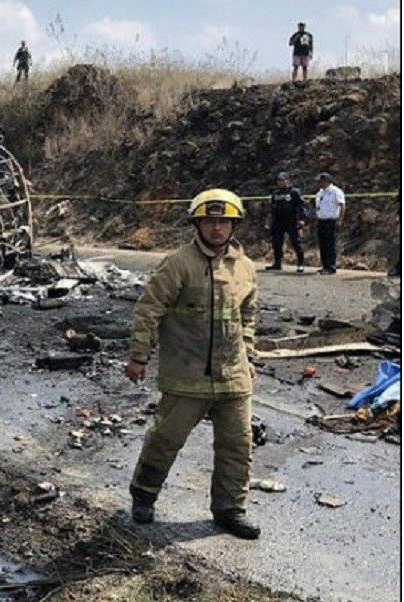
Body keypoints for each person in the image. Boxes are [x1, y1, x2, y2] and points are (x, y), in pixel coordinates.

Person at [126, 189, 262, 540]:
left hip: (233, 375)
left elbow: (248, 315)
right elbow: (149, 309)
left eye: (223, 221)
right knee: (166, 439)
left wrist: (249, 356)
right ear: (197, 223)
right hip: (186, 375)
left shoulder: (245, 267)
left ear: (234, 224)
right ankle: (144, 496)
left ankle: (230, 510)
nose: (217, 228)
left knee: (238, 444)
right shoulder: (178, 263)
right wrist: (139, 356)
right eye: (209, 221)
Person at [264, 171, 306, 272]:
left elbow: (301, 206)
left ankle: (300, 264)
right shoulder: (275, 193)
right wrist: (269, 222)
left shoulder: (294, 192)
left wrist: (302, 219)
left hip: (291, 220)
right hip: (278, 221)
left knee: (296, 242)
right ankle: (277, 263)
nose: (280, 182)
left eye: (283, 180)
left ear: (288, 180)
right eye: (279, 180)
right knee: (277, 242)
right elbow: (272, 209)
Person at [313, 172, 345, 274]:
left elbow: (342, 205)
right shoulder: (320, 193)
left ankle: (331, 267)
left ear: (326, 181)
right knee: (322, 244)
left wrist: (340, 219)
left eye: (320, 181)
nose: (318, 183)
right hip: (321, 220)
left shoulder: (335, 191)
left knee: (330, 244)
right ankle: (324, 265)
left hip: (331, 221)